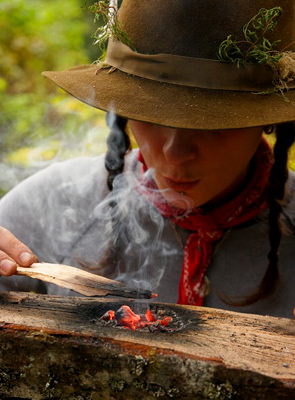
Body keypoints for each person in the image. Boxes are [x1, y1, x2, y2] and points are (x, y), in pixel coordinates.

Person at [0, 0, 295, 318]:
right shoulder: (42, 212)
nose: (175, 153)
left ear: (268, 120)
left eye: (213, 124)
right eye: (152, 116)